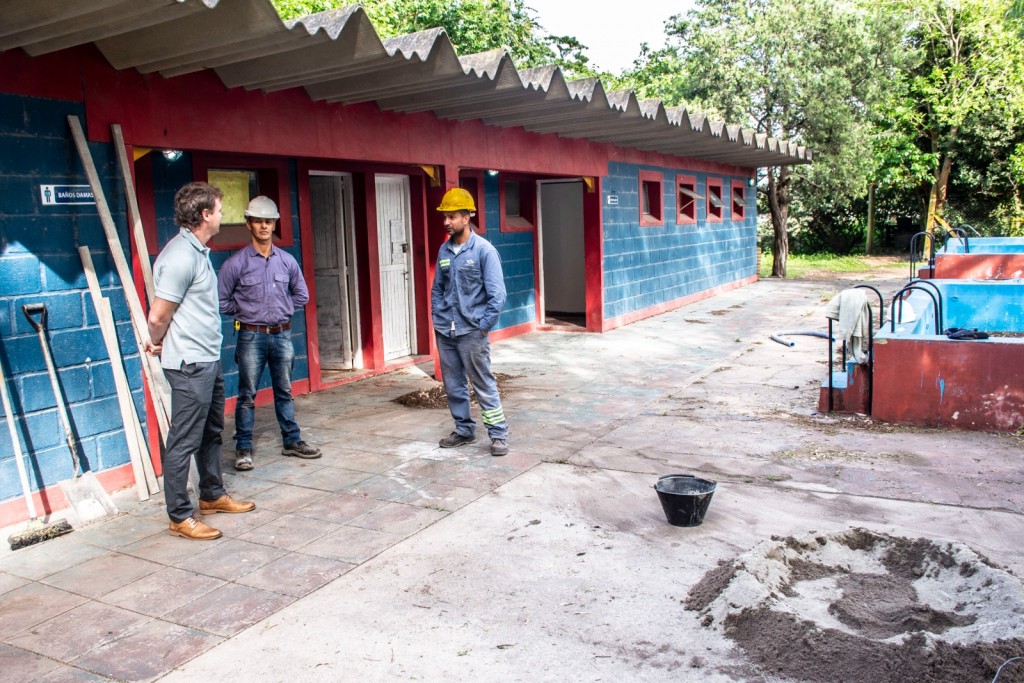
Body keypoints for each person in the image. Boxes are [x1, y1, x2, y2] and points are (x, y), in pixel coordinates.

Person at [145, 182, 255, 541]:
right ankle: (179, 515)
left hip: (206, 359)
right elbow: (158, 316)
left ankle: (212, 495)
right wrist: (160, 343)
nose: (223, 215)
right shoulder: (179, 256)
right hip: (190, 364)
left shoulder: (197, 252)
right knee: (184, 439)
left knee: (211, 432)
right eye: (220, 210)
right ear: (205, 215)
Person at [218, 196, 321, 471]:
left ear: (274, 224)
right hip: (250, 336)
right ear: (249, 223)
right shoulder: (236, 264)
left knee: (284, 390)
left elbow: (302, 294)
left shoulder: (286, 261)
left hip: (282, 335)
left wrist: (282, 309)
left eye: (269, 221)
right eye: (259, 221)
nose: (264, 226)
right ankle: (243, 448)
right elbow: (222, 300)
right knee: (247, 394)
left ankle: (292, 441)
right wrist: (247, 312)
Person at [430, 187, 509, 456]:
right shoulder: (444, 250)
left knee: (482, 383)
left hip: (472, 331)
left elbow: (497, 296)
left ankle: (498, 434)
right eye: (444, 217)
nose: (446, 222)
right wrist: (437, 317)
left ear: (467, 217)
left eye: (451, 216)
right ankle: (464, 429)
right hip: (446, 330)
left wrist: (483, 325)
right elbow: (437, 288)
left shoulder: (484, 251)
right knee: (453, 385)